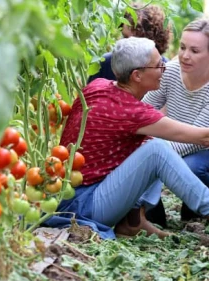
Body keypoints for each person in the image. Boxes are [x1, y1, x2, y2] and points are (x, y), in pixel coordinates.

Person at [45, 37, 209, 241]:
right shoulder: (131, 112)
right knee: (156, 149)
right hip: (84, 206)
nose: (165, 67)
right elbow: (205, 137)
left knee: (147, 142)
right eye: (158, 65)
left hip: (74, 195)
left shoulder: (99, 86)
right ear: (137, 75)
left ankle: (132, 222)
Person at [142, 19, 209, 221]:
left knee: (190, 166)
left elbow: (197, 140)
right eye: (183, 47)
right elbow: (143, 112)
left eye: (194, 51)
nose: (185, 56)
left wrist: (152, 156)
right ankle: (150, 212)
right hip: (178, 145)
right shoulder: (171, 72)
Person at [86, 3, 171, 228]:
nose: (121, 45)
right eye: (122, 37)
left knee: (152, 144)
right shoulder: (106, 63)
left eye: (127, 37)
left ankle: (138, 217)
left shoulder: (165, 70)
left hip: (142, 144)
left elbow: (166, 115)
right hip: (110, 155)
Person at [87, 3, 171, 84]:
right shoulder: (106, 64)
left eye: (132, 41)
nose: (125, 45)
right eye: (124, 37)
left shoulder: (168, 72)